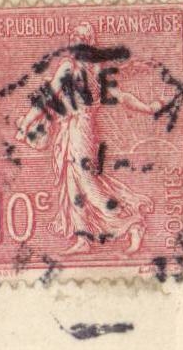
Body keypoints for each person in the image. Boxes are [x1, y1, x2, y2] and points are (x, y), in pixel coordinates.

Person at [15, 24, 161, 253]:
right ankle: (83, 238)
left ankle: (131, 224)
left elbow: (49, 96)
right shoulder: (95, 70)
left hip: (80, 129)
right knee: (73, 182)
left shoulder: (72, 67)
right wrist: (148, 108)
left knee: (86, 182)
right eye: (75, 39)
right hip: (77, 129)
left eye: (80, 39)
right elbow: (122, 97)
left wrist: (26, 123)